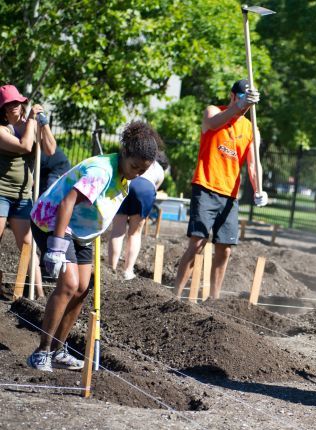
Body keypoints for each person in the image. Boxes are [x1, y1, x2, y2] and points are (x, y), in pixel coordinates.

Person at [27, 121, 163, 371]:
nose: (137, 174)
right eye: (134, 167)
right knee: (69, 285)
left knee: (82, 289)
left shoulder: (126, 176)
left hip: (82, 232)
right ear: (124, 154)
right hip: (53, 222)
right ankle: (42, 352)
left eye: (142, 171)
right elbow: (68, 202)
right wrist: (56, 246)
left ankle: (58, 349)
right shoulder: (101, 171)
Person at [173, 79, 268, 299]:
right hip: (205, 186)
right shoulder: (213, 111)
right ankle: (176, 296)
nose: (245, 105)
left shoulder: (252, 129)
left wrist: (258, 189)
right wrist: (239, 106)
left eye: (249, 101)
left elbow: (254, 164)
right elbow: (214, 123)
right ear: (232, 96)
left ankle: (214, 299)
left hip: (230, 194)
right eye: (242, 98)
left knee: (225, 248)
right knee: (197, 242)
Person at [0, 84, 57, 297]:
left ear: (22, 103)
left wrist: (44, 124)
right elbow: (25, 146)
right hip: (1, 192)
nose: (13, 106)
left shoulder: (32, 124)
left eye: (16, 102)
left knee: (28, 244)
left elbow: (50, 150)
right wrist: (32, 121)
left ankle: (38, 293)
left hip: (23, 196)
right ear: (3, 109)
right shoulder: (1, 130)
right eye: (8, 104)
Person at [108, 152, 169, 280]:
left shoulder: (139, 158)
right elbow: (153, 190)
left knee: (117, 230)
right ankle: (128, 271)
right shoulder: (160, 171)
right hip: (145, 188)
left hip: (126, 182)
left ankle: (111, 269)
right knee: (135, 233)